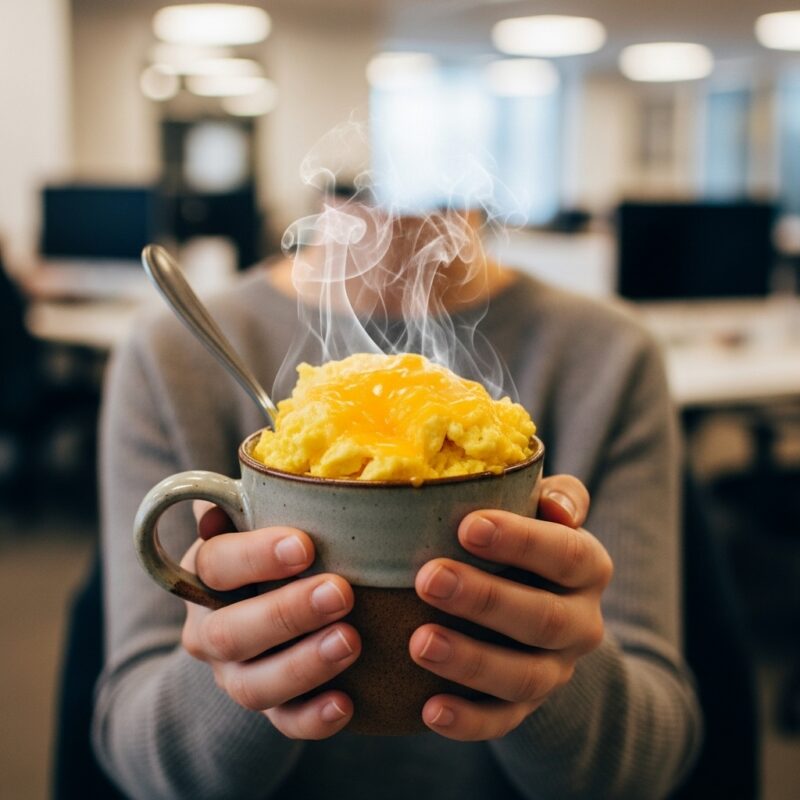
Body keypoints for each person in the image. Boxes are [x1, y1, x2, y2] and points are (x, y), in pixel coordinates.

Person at [92, 207, 702, 799]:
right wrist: (236, 656)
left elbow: (651, 760)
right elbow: (140, 757)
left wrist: (553, 662)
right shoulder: (170, 356)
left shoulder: (612, 357)